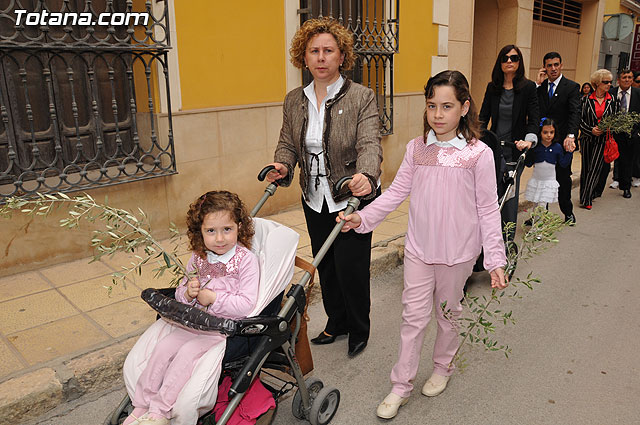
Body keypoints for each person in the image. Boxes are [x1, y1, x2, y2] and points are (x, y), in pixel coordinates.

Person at [338, 70, 507, 420]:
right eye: (432, 106)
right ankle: (400, 386)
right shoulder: (417, 148)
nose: (438, 114)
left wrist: (495, 259)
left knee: (448, 315)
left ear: (464, 107)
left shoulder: (479, 154)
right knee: (412, 319)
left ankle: (443, 367)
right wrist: (363, 219)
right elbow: (397, 193)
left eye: (447, 106)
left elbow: (488, 208)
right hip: (418, 250)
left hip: (458, 254)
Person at [265, 17, 383, 358]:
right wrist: (282, 164)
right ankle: (337, 321)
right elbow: (288, 143)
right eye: (313, 51)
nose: (320, 57)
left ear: (341, 56)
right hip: (313, 197)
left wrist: (366, 175)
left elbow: (370, 144)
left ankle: (359, 327)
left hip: (348, 198)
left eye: (328, 51)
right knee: (325, 263)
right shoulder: (294, 100)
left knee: (352, 267)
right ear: (303, 57)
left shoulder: (361, 96)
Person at [123, 191, 259, 425]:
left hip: (218, 330)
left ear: (239, 227)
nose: (219, 239)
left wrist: (213, 298)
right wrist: (188, 293)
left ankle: (160, 411)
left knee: (185, 355)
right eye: (211, 231)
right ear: (200, 232)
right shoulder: (198, 258)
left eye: (227, 229)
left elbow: (247, 305)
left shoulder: (246, 261)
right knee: (164, 348)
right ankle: (141, 404)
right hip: (193, 322)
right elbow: (181, 291)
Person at [479, 44, 539, 243]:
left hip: (515, 150)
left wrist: (529, 140)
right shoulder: (492, 87)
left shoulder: (528, 88)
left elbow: (534, 118)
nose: (509, 62)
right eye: (505, 58)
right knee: (491, 193)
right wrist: (474, 139)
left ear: (519, 62)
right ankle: (489, 237)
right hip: (494, 148)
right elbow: (483, 117)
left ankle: (507, 239)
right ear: (500, 63)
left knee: (510, 196)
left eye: (513, 58)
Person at [536, 52, 581, 224]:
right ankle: (540, 214)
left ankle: (568, 212)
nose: (553, 68)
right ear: (544, 67)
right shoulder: (540, 88)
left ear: (561, 65)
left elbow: (574, 113)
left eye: (556, 64)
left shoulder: (571, 87)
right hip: (543, 143)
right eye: (549, 65)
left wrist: (571, 136)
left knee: (562, 179)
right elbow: (533, 110)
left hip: (562, 143)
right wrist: (537, 84)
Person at [579, 69, 618, 209]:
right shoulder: (585, 100)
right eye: (605, 82)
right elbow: (579, 119)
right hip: (587, 139)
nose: (608, 84)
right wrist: (590, 130)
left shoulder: (612, 100)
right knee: (585, 168)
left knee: (595, 168)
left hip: (603, 140)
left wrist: (608, 128)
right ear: (597, 83)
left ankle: (587, 198)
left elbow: (616, 119)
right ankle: (583, 194)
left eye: (610, 82)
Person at [524, 118, 574, 209]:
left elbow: (563, 163)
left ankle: (538, 222)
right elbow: (528, 163)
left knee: (542, 205)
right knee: (535, 204)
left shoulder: (557, 147)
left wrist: (569, 153)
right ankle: (536, 221)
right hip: (536, 181)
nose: (549, 135)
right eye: (545, 132)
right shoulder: (536, 147)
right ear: (540, 133)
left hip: (548, 182)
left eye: (552, 132)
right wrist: (528, 150)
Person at [609, 69, 640, 198]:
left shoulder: (638, 93)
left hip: (631, 133)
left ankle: (626, 187)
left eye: (629, 77)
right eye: (624, 77)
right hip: (613, 132)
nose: (627, 80)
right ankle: (613, 180)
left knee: (627, 161)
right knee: (610, 158)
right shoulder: (611, 93)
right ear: (619, 80)